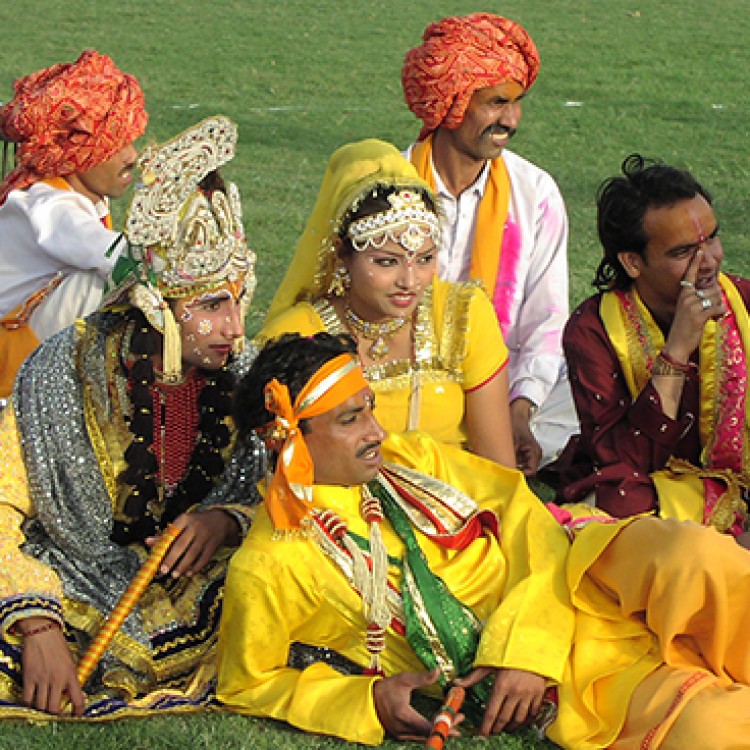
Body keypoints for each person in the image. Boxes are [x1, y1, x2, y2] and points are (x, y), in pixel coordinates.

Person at [218, 332, 750, 749]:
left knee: (696, 555)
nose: (376, 431)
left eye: (370, 408)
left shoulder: (413, 457)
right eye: (350, 419)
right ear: (288, 442)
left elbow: (524, 517)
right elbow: (247, 683)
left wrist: (525, 649)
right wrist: (364, 700)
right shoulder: (271, 563)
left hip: (574, 573)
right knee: (711, 727)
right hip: (564, 677)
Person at [0, 116, 264, 720]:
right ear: (156, 306)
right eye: (213, 306)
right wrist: (36, 626)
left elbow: (284, 488)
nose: (235, 328)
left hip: (198, 589)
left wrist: (225, 520)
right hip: (74, 580)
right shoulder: (62, 369)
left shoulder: (242, 369)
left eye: (239, 300)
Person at [261, 139, 515, 467]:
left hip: (461, 508)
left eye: (424, 259)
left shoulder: (462, 313)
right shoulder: (298, 335)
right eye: (386, 262)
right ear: (342, 256)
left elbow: (498, 468)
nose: (410, 281)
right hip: (343, 512)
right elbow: (275, 472)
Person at [400, 12, 579, 476]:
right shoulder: (390, 186)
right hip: (407, 379)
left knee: (589, 388)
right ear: (451, 105)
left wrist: (519, 411)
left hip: (507, 384)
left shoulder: (534, 193)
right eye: (497, 103)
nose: (512, 120)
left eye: (517, 103)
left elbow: (546, 318)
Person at [559, 154, 750, 543]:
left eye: (712, 237)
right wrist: (676, 351)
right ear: (632, 262)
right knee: (619, 501)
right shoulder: (592, 330)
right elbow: (621, 461)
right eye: (683, 253)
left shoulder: (744, 300)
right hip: (656, 490)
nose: (709, 260)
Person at [0, 49, 147, 398]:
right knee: (100, 282)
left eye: (132, 140)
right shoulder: (50, 207)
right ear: (75, 156)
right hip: (8, 359)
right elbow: (120, 257)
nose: (132, 155)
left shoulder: (86, 192)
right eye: (116, 144)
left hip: (23, 339)